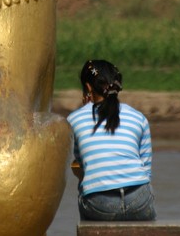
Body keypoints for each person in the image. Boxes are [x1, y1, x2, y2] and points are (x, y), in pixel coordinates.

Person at [67, 59, 156, 221]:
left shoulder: (74, 119)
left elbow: (79, 164)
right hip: (139, 199)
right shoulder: (138, 117)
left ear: (88, 88)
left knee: (84, 189)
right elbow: (146, 170)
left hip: (100, 204)